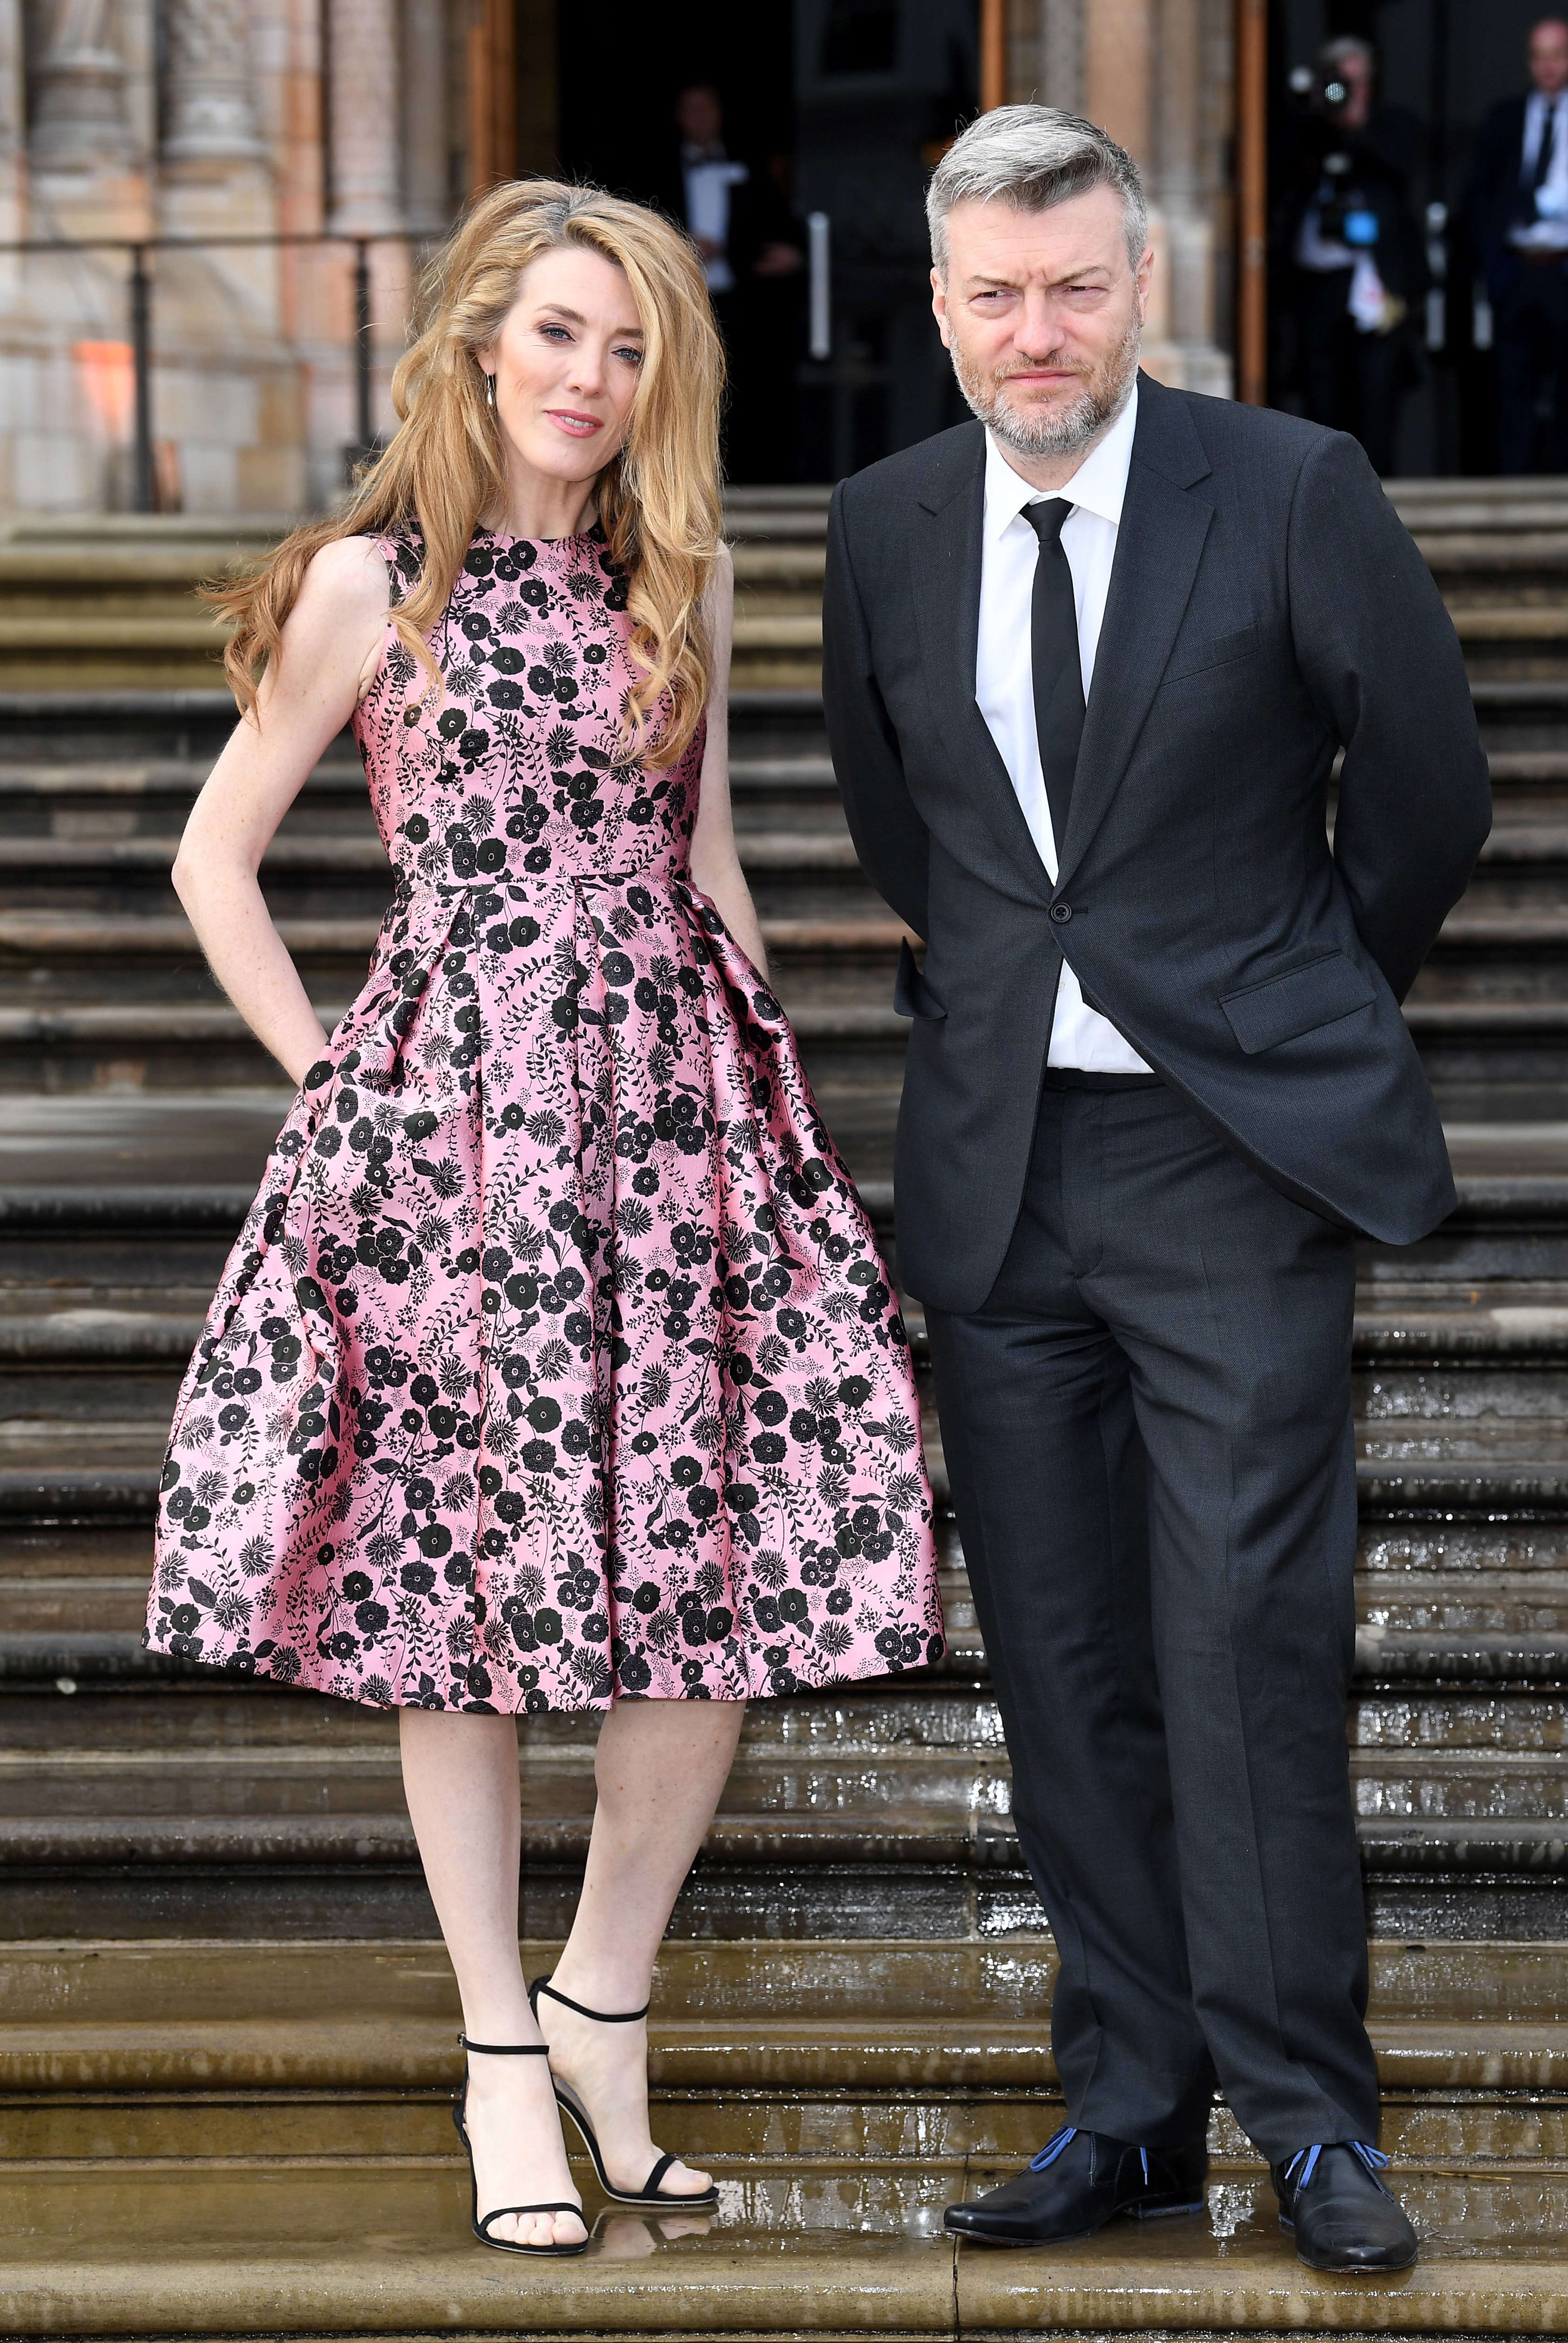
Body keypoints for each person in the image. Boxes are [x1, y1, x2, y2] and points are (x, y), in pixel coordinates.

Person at [145, 179, 940, 2257]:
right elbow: (215, 859)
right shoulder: (369, 585)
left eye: (631, 345)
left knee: (717, 1564)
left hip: (675, 1121)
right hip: (458, 1136)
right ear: (483, 341)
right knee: (463, 1585)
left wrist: (774, 1119)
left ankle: (603, 1998)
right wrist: (335, 1081)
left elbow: (712, 859)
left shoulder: (685, 576)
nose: (592, 376)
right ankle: (500, 2048)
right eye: (563, 332)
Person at [823, 104, 1490, 2275]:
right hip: (998, 1172)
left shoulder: (1288, 486)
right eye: (994, 296)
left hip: (1224, 1160)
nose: (1035, 331)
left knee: (1242, 1639)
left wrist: (1274, 1001)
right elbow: (899, 823)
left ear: (1140, 287)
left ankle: (1303, 2116)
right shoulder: (883, 522)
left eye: (1073, 287)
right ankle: (1125, 2107)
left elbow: (1423, 793)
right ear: (939, 308)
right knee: (1060, 1656)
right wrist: (1017, 994)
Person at [1468, 17, 1568, 475]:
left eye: (1557, 55)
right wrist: (1491, 264)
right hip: (1517, 267)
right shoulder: (1504, 118)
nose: (1548, 67)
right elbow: (1480, 195)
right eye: (1539, 56)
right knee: (1512, 382)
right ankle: (1515, 481)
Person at [1283, 37, 1425, 475]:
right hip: (1318, 281)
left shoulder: (1390, 123)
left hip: (1374, 279)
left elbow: (1404, 170)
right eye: (1338, 82)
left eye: (1357, 82)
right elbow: (1277, 169)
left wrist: (1357, 126)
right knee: (1321, 393)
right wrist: (1315, 113)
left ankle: (1375, 491)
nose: (1346, 92)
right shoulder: (1309, 128)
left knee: (1376, 392)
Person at [665, 82, 804, 483]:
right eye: (691, 108)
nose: (700, 117)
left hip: (745, 301)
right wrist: (681, 244)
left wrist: (792, 255)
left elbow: (776, 220)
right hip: (683, 301)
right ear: (678, 117)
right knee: (689, 391)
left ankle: (754, 477)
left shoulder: (750, 166)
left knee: (749, 391)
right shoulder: (660, 171)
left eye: (707, 107)